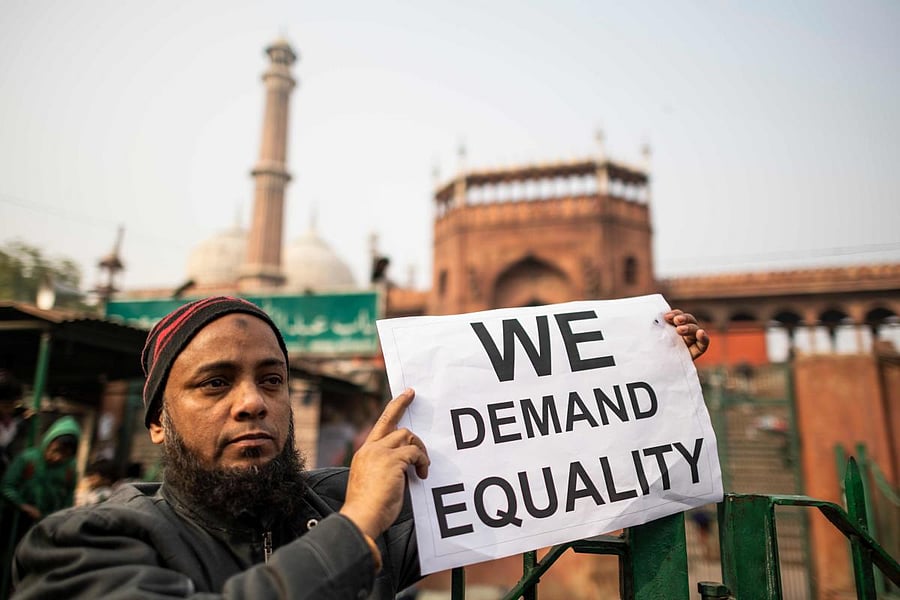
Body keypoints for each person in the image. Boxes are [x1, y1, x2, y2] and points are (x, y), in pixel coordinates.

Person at [9, 297, 709, 599]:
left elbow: (528, 459)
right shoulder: (86, 544)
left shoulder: (335, 501)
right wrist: (356, 528)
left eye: (271, 380)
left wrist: (642, 365)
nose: (251, 402)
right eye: (214, 383)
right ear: (158, 422)